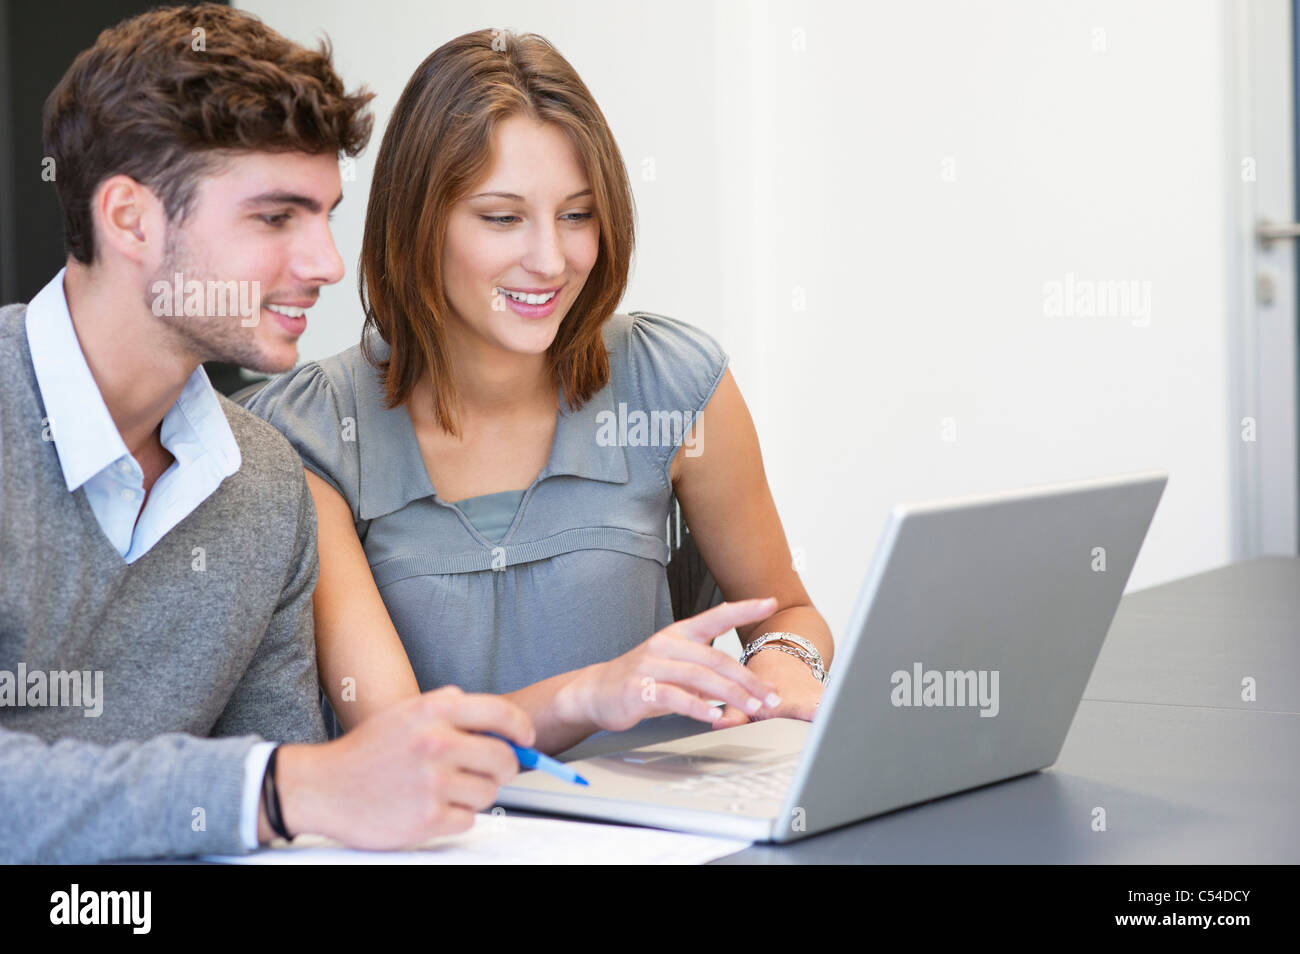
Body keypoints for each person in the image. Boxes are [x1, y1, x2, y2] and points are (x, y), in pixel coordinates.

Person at [0, 4, 534, 864]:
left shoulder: (265, 487)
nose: (326, 262)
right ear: (131, 219)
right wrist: (283, 788)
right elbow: (279, 790)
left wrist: (297, 794)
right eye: (277, 217)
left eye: (323, 214)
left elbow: (286, 833)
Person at [243, 28, 833, 755]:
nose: (551, 260)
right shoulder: (309, 436)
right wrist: (597, 694)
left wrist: (780, 668)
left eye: (578, 215)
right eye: (502, 218)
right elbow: (400, 744)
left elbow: (789, 612)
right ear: (417, 224)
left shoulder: (675, 386)